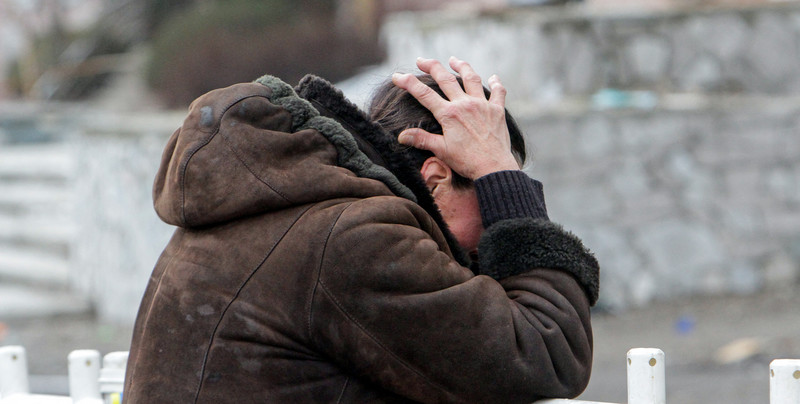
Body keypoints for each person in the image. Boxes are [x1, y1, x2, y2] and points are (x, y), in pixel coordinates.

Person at [123, 57, 599, 403]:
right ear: (435, 177)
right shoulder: (357, 237)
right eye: (490, 196)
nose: (496, 221)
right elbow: (546, 355)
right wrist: (505, 177)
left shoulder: (277, 205)